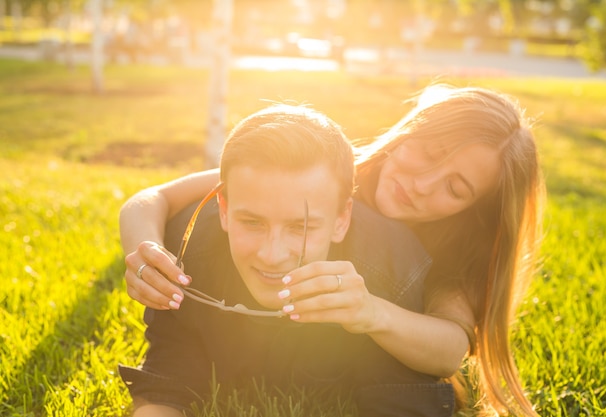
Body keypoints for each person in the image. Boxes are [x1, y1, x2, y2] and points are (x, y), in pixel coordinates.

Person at [120, 84, 545, 417]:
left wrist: (371, 312)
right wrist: (145, 252)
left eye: (455, 188)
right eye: (428, 153)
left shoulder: (451, 251)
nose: (422, 183)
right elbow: (155, 198)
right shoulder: (322, 172)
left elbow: (451, 349)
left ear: (474, 207)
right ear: (410, 129)